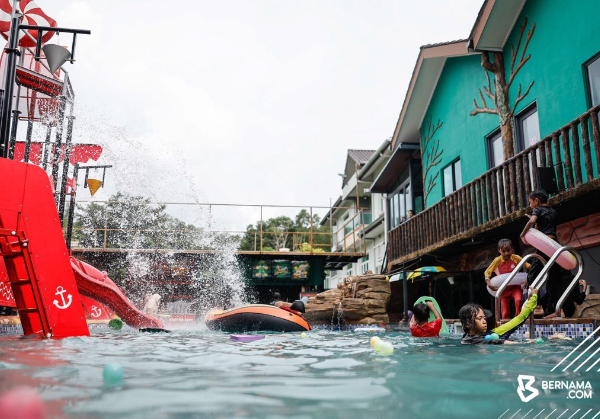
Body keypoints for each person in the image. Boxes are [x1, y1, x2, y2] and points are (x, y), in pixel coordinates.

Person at [520, 189, 563, 316]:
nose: (530, 205)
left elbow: (532, 221)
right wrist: (536, 221)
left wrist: (523, 234)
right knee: (553, 277)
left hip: (544, 246)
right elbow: (546, 226)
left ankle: (536, 304)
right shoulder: (553, 211)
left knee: (532, 274)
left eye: (530, 202)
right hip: (554, 245)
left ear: (536, 201)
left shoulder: (537, 210)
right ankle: (553, 309)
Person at [459, 288, 538, 345]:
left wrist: (534, 297)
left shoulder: (466, 339)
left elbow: (521, 317)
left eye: (484, 318)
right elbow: (521, 318)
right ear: (467, 324)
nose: (484, 321)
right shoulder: (467, 338)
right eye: (479, 318)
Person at [484, 238, 530, 319]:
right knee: (505, 313)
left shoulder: (516, 258)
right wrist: (489, 284)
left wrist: (527, 279)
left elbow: (529, 266)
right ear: (499, 251)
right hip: (503, 288)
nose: (506, 253)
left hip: (515, 287)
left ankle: (518, 320)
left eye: (508, 250)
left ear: (512, 249)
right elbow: (487, 272)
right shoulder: (497, 260)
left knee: (519, 300)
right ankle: (507, 328)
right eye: (503, 251)